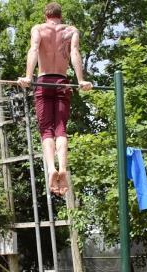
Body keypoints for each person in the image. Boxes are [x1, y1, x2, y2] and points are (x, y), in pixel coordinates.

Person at [18, 2, 93, 196]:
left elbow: (34, 49)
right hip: (62, 81)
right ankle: (63, 167)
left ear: (46, 15)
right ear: (61, 15)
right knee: (61, 128)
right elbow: (75, 53)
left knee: (46, 130)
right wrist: (81, 80)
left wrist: (28, 76)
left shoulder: (38, 29)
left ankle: (51, 168)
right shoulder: (70, 30)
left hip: (43, 81)